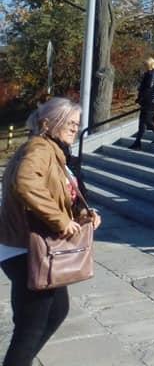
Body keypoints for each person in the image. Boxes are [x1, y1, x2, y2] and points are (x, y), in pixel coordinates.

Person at [0, 98, 102, 366]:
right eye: (69, 123)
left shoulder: (52, 151)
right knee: (31, 325)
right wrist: (59, 220)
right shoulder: (40, 148)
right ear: (47, 124)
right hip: (25, 248)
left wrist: (81, 214)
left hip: (26, 248)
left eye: (77, 124)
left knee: (55, 311)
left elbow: (58, 194)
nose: (74, 129)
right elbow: (25, 184)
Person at [133, 57, 154, 150]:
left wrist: (140, 98)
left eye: (145, 65)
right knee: (142, 121)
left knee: (147, 120)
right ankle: (137, 142)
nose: (144, 67)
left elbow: (148, 87)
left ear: (148, 65)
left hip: (150, 101)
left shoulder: (150, 73)